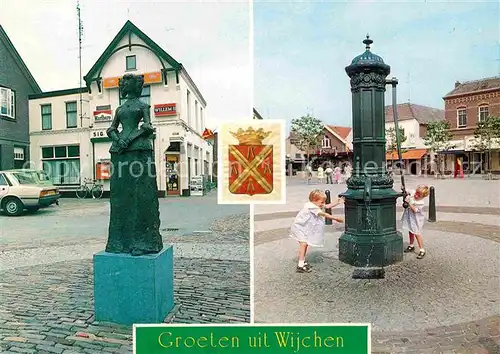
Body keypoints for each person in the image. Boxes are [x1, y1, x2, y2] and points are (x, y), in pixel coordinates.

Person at [105, 73, 163, 256]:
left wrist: (130, 138)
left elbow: (148, 126)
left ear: (134, 86)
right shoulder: (120, 109)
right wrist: (118, 139)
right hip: (120, 152)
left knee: (141, 195)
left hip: (138, 151)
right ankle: (118, 242)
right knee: (120, 197)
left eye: (126, 83)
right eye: (122, 83)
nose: (122, 85)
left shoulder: (143, 106)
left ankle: (143, 242)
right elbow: (111, 128)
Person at [290, 190, 345, 273]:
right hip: (299, 227)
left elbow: (327, 206)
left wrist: (338, 202)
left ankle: (302, 261)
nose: (323, 204)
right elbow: (324, 214)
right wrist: (336, 218)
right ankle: (300, 265)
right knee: (303, 244)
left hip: (304, 228)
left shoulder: (315, 205)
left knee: (305, 244)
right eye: (321, 202)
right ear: (314, 200)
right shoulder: (311, 207)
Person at [401, 185, 430, 259]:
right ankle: (411, 245)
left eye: (419, 195)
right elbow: (407, 190)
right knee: (410, 231)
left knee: (417, 233)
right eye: (416, 193)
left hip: (416, 219)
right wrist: (404, 189)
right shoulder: (413, 193)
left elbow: (415, 210)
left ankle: (422, 249)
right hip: (410, 218)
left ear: (423, 196)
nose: (416, 195)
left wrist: (409, 203)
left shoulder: (420, 203)